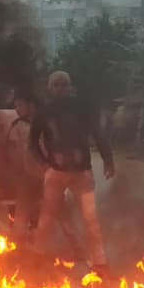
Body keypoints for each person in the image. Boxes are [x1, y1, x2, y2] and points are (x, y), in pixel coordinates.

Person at [30, 71, 114, 274]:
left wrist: (108, 160)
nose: (60, 88)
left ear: (70, 87)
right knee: (47, 216)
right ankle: (38, 255)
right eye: (56, 85)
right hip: (55, 173)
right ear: (50, 89)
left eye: (64, 84)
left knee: (90, 217)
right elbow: (32, 141)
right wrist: (44, 163)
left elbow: (98, 133)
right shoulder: (44, 111)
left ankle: (99, 262)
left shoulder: (82, 108)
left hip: (81, 173)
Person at [6, 89, 45, 242]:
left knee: (39, 211)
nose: (17, 109)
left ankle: (36, 243)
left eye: (20, 105)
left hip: (43, 173)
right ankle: (18, 245)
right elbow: (12, 151)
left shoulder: (44, 123)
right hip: (24, 175)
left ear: (31, 106)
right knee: (19, 213)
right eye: (16, 106)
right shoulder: (17, 126)